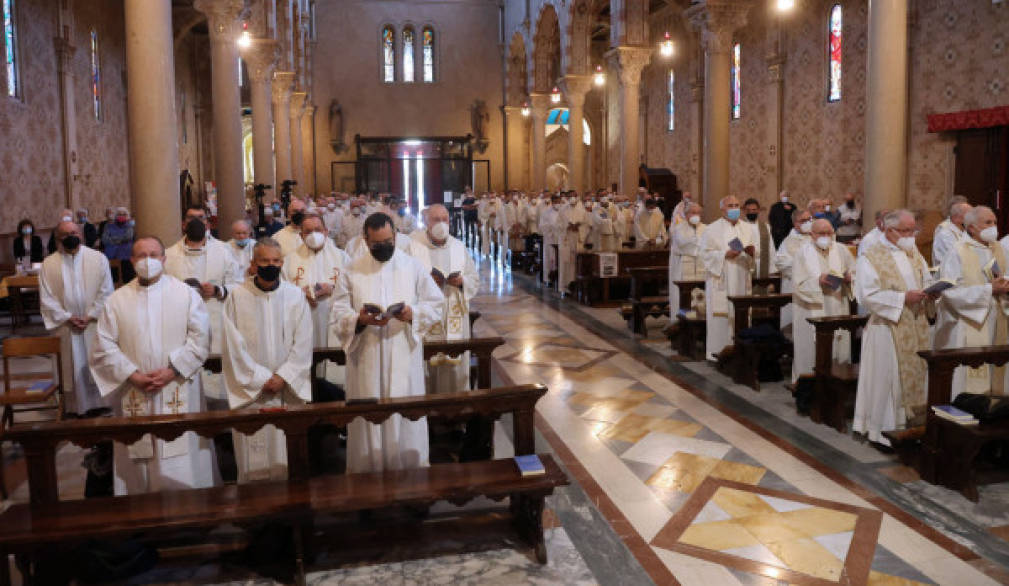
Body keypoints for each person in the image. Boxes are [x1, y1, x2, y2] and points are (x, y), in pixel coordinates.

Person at [90, 236, 217, 494]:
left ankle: (190, 512)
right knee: (139, 454)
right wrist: (132, 375)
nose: (148, 261)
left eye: (153, 255)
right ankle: (140, 512)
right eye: (141, 255)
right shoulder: (117, 300)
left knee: (183, 453)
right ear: (132, 260)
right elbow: (103, 347)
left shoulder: (185, 295)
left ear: (163, 259)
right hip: (134, 390)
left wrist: (173, 371)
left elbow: (201, 337)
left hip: (178, 385)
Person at [329, 213, 444, 472]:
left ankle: (411, 481)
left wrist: (412, 313)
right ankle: (367, 484)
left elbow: (435, 304)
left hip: (403, 352)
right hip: (366, 357)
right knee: (368, 419)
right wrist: (358, 319)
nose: (384, 246)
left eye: (389, 240)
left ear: (395, 236)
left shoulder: (412, 266)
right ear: (365, 240)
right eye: (377, 243)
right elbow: (337, 312)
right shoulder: (351, 269)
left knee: (406, 417)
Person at [221, 238, 312, 482]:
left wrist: (284, 376)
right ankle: (254, 514)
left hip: (287, 390)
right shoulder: (237, 298)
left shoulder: (295, 296)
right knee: (255, 460)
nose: (270, 265)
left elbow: (304, 342)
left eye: (275, 261)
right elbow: (232, 347)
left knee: (288, 457)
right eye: (264, 260)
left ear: (282, 263)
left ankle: (289, 512)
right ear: (253, 264)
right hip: (252, 392)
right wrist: (262, 378)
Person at [853, 210, 937, 446]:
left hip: (916, 323)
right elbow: (867, 295)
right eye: (906, 231)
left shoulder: (913, 252)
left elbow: (925, 280)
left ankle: (914, 427)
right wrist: (902, 298)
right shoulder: (871, 256)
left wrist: (932, 292)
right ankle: (886, 430)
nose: (911, 235)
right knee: (890, 379)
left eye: (913, 230)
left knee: (916, 375)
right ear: (889, 231)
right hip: (888, 327)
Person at [39, 221, 114, 416]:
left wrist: (90, 315)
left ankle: (100, 403)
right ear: (58, 239)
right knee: (69, 366)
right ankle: (72, 407)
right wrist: (67, 317)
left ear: (80, 234)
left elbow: (106, 292)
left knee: (95, 362)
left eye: (74, 232)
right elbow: (46, 298)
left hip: (93, 324)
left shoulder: (98, 258)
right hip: (66, 326)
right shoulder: (49, 264)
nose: (70, 236)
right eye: (65, 234)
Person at [934, 206, 1009, 399]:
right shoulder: (957, 251)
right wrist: (988, 290)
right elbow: (949, 292)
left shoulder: (997, 249)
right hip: (967, 324)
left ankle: (991, 413)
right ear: (972, 228)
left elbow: (1001, 277)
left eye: (994, 222)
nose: (993, 227)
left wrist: (1004, 287)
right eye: (988, 223)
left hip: (996, 319)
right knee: (968, 381)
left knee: (994, 372)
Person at [407, 205, 479, 395]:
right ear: (426, 223)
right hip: (427, 315)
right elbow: (403, 282)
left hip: (454, 314)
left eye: (445, 219)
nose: (441, 224)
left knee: (455, 368)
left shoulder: (458, 246)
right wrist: (426, 282)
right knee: (428, 367)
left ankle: (456, 414)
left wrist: (462, 281)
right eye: (436, 219)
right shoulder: (413, 246)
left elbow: (474, 279)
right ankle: (429, 414)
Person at [164, 205, 242, 360]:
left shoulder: (224, 251)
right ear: (183, 224)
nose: (196, 222)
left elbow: (239, 285)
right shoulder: (168, 254)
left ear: (208, 224)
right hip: (180, 322)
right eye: (191, 218)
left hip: (216, 320)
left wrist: (217, 290)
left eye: (201, 218)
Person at [282, 213, 350, 379]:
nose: (313, 234)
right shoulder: (290, 260)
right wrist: (299, 294)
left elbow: (354, 290)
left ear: (326, 231)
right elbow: (281, 291)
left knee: (332, 376)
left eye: (318, 229)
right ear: (301, 235)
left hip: (332, 319)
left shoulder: (342, 257)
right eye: (308, 231)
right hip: (303, 319)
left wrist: (333, 288)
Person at [790, 219, 856, 382]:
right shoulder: (802, 253)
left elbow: (855, 272)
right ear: (812, 234)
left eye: (829, 233)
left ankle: (836, 385)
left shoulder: (841, 250)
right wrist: (817, 281)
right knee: (811, 352)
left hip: (837, 304)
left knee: (837, 347)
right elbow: (798, 284)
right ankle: (807, 387)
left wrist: (850, 278)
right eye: (821, 233)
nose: (826, 236)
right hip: (810, 308)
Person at [700, 196, 755, 361]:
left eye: (737, 205)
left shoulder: (747, 228)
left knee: (741, 312)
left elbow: (752, 254)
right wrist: (724, 254)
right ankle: (718, 351)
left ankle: (741, 350)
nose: (734, 208)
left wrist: (751, 254)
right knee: (722, 314)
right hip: (721, 277)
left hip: (741, 275)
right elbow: (704, 255)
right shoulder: (712, 229)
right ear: (722, 209)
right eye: (730, 205)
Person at [774, 209, 814, 329]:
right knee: (798, 323)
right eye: (804, 220)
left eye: (809, 219)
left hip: (816, 286)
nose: (808, 223)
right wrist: (805, 267)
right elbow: (781, 263)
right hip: (796, 286)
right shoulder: (788, 242)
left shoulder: (816, 238)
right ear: (796, 223)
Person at [668, 202, 706, 313]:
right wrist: (700, 244)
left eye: (699, 213)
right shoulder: (679, 229)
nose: (696, 215)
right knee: (684, 297)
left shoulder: (706, 228)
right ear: (686, 214)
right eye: (693, 213)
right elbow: (684, 244)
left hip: (701, 267)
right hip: (683, 269)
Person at [556, 193, 587, 293]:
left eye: (575, 196)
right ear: (568, 198)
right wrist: (567, 226)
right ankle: (564, 287)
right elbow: (558, 225)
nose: (573, 198)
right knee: (566, 262)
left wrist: (578, 227)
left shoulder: (582, 211)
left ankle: (577, 286)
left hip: (577, 240)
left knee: (576, 263)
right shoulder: (562, 210)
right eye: (571, 196)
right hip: (567, 240)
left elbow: (586, 225)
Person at [742, 198, 776, 280]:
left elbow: (771, 249)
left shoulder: (766, 227)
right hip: (745, 266)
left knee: (762, 289)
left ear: (758, 211)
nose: (751, 212)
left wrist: (772, 270)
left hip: (762, 265)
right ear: (744, 211)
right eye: (748, 210)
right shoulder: (739, 227)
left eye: (754, 210)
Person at [932, 197, 970, 267]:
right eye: (968, 212)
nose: (971, 216)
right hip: (949, 273)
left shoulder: (963, 227)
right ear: (957, 215)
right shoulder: (944, 231)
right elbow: (954, 256)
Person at [102, 207, 136, 281]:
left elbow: (128, 237)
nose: (121, 216)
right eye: (119, 214)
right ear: (116, 215)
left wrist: (113, 238)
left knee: (127, 279)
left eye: (124, 214)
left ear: (127, 216)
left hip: (126, 255)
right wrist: (120, 240)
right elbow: (105, 239)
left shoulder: (129, 226)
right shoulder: (108, 225)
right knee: (113, 279)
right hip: (111, 255)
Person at [539, 195, 562, 286]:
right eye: (556, 202)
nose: (557, 204)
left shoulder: (563, 212)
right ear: (552, 202)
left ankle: (559, 278)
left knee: (559, 260)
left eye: (559, 202)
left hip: (560, 239)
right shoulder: (546, 213)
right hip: (550, 239)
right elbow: (542, 226)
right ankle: (548, 279)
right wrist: (551, 228)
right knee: (549, 259)